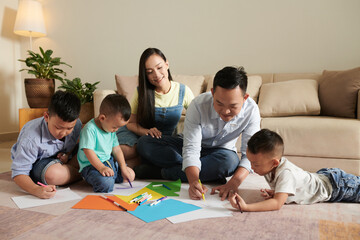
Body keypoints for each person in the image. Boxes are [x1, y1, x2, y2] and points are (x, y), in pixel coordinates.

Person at [137, 66, 261, 200]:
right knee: (144, 143)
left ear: (245, 98)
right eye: (219, 103)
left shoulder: (252, 111)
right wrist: (193, 181)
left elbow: (250, 154)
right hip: (186, 146)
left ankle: (162, 173)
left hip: (220, 153)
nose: (225, 111)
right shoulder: (198, 105)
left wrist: (234, 183)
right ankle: (209, 174)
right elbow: (191, 148)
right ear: (213, 93)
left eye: (233, 106)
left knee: (230, 162)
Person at [229, 129, 360, 212]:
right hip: (321, 177)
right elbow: (294, 188)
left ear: (274, 163)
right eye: (250, 162)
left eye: (255, 164)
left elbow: (276, 204)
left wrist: (247, 207)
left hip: (337, 186)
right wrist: (278, 191)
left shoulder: (286, 173)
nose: (251, 167)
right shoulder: (268, 167)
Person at [117, 48, 194, 167]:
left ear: (167, 64)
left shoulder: (183, 91)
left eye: (159, 68)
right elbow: (130, 123)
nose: (156, 75)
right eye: (149, 72)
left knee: (142, 158)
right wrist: (146, 132)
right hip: (139, 135)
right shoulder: (141, 92)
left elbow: (199, 119)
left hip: (163, 141)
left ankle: (140, 164)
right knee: (131, 150)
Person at [11, 90, 82, 199]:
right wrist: (35, 190)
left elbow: (72, 146)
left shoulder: (77, 124)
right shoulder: (31, 138)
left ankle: (71, 171)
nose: (63, 133)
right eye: (58, 127)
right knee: (52, 175)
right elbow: (18, 173)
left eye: (69, 128)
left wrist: (67, 154)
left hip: (61, 159)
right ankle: (83, 173)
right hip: (39, 164)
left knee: (89, 149)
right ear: (46, 116)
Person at [78, 94, 135, 193]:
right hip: (92, 166)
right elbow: (89, 152)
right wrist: (101, 167)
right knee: (105, 184)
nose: (116, 130)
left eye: (118, 128)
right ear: (102, 118)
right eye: (114, 127)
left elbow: (117, 149)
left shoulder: (110, 129)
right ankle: (106, 179)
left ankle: (112, 177)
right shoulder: (89, 129)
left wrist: (123, 167)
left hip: (109, 162)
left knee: (131, 174)